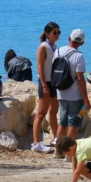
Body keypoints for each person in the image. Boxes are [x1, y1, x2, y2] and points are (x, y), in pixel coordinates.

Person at [56, 29, 91, 148]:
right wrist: (86, 99)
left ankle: (58, 151)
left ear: (69, 38)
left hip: (61, 93)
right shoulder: (78, 56)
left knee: (62, 123)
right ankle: (68, 152)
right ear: (82, 43)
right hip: (75, 96)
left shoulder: (58, 51)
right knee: (74, 124)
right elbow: (80, 79)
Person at [32, 22, 60, 153]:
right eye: (54, 32)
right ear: (47, 33)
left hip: (54, 82)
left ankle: (56, 138)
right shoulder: (43, 47)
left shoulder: (55, 47)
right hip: (46, 82)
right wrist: (44, 85)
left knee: (54, 111)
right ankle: (36, 143)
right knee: (41, 113)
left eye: (58, 32)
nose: (57, 35)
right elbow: (40, 67)